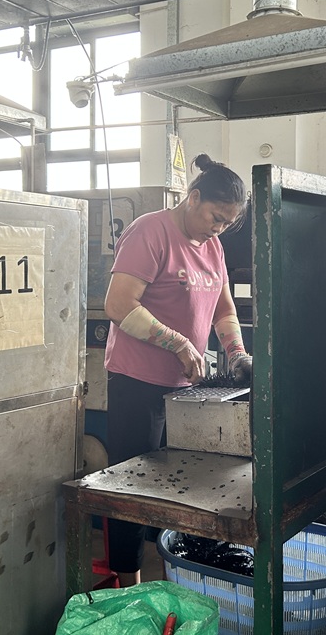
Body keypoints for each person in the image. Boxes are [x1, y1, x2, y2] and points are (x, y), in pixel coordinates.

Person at [102, 153, 252, 587]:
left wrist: (237, 354)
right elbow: (118, 305)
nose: (218, 228)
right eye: (215, 217)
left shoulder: (213, 246)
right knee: (132, 488)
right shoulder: (150, 232)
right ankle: (128, 584)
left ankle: (183, 576)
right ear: (193, 197)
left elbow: (223, 310)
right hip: (138, 384)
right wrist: (180, 343)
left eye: (227, 223)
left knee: (186, 484)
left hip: (187, 390)